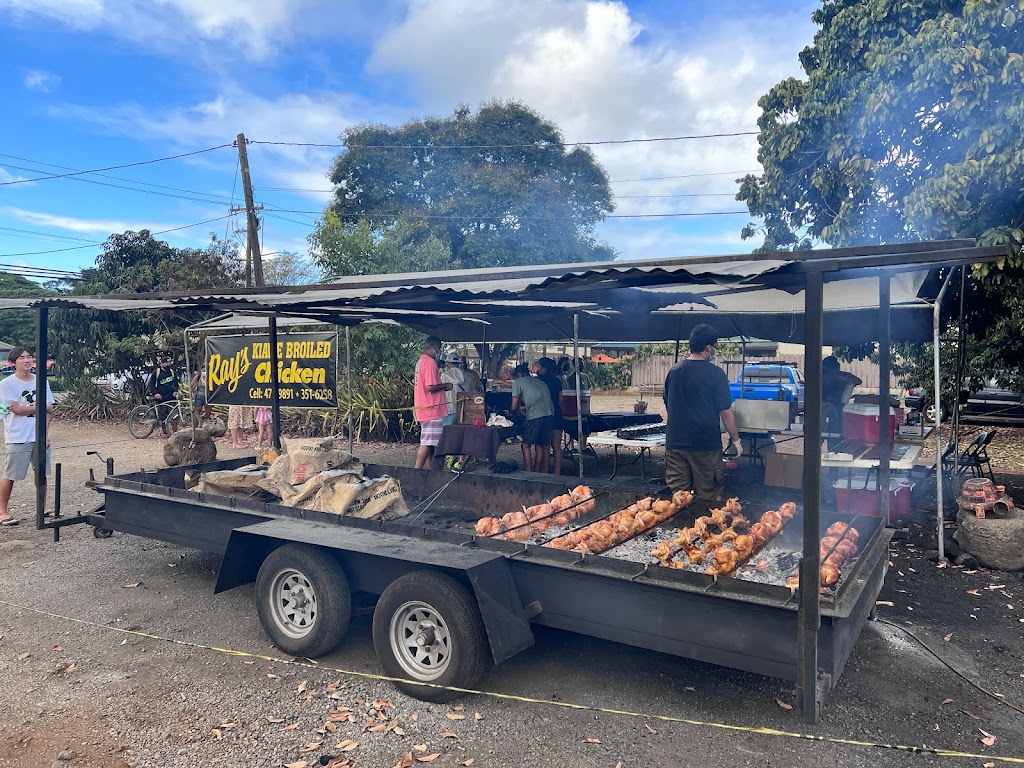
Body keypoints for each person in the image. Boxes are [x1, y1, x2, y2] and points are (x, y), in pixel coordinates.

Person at [663, 324, 742, 501]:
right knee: (710, 496)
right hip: (705, 446)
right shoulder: (716, 374)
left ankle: (680, 528)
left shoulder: (674, 371)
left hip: (675, 444)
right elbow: (726, 411)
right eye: (715, 346)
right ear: (708, 347)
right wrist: (736, 440)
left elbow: (669, 403)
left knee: (678, 498)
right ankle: (709, 528)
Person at [0, 347, 55, 525]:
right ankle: (2, 511)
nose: (27, 360)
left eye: (29, 357)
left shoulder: (41, 381)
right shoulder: (6, 384)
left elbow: (50, 410)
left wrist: (45, 433)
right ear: (13, 363)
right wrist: (41, 407)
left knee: (41, 473)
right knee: (11, 474)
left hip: (38, 435)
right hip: (17, 436)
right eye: (22, 357)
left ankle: (43, 507)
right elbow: (16, 409)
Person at [414, 336, 453, 470]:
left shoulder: (420, 361)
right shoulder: (430, 362)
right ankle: (416, 470)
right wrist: (445, 386)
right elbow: (430, 387)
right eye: (440, 349)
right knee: (426, 442)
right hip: (431, 408)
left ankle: (432, 472)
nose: (440, 352)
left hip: (423, 406)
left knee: (430, 443)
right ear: (434, 347)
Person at [510, 363, 553, 473]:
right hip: (549, 414)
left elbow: (514, 406)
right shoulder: (540, 382)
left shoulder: (518, 382)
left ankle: (528, 472)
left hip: (535, 415)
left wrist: (509, 412)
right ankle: (538, 472)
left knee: (526, 445)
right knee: (540, 444)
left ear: (517, 375)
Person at [536, 357, 565, 475]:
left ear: (543, 368)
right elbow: (561, 400)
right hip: (557, 414)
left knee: (545, 446)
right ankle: (557, 473)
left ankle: (545, 472)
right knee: (557, 446)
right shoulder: (557, 381)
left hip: (545, 415)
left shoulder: (539, 381)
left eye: (538, 366)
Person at [147, 352, 181, 432]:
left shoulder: (172, 372)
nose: (167, 364)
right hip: (161, 398)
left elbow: (176, 383)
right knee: (162, 415)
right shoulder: (156, 373)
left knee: (174, 415)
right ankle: (164, 431)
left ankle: (175, 432)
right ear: (161, 364)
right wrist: (156, 393)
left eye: (168, 362)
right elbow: (151, 385)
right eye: (165, 363)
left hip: (171, 397)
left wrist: (175, 391)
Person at [440, 352, 467, 426]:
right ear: (459, 363)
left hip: (449, 409)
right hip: (463, 409)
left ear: (448, 363)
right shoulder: (468, 376)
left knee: (447, 433)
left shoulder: (444, 375)